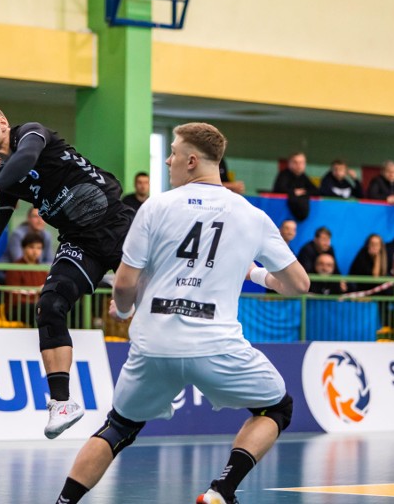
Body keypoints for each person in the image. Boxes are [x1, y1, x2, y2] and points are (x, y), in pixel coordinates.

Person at [53, 121, 309, 504]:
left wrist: (123, 311)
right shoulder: (252, 215)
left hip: (153, 346)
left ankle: (63, 503)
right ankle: (221, 490)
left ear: (192, 160)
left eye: (172, 152)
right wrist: (256, 273)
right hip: (217, 346)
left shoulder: (155, 206)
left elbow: (124, 284)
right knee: (277, 408)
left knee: (117, 427)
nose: (169, 159)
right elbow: (298, 284)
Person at [0, 103, 135, 439]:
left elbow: (24, 159)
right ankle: (62, 403)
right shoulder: (2, 178)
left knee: (160, 303)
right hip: (79, 242)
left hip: (118, 226)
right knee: (50, 305)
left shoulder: (32, 134)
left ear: (2, 123)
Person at [4, 232, 48, 323]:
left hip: (37, 308)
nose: (35, 251)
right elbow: (14, 297)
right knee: (36, 309)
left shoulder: (43, 271)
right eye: (31, 247)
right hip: (16, 309)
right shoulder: (14, 268)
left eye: (39, 248)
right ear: (23, 248)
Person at [272, 152, 317, 221]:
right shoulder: (283, 175)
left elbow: (316, 191)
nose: (299, 165)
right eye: (295, 162)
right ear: (290, 163)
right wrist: (293, 192)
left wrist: (303, 192)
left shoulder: (303, 177)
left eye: (301, 163)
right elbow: (278, 189)